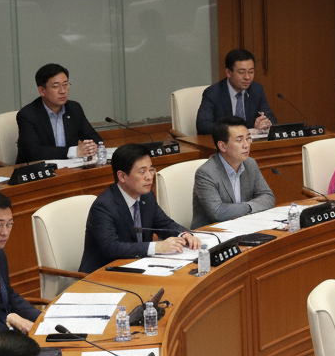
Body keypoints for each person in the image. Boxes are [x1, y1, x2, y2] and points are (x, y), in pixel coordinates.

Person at [80, 143, 202, 272]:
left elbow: (164, 223)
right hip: (102, 275)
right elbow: (112, 248)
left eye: (151, 169)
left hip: (138, 266)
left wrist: (184, 234)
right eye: (142, 172)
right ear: (122, 176)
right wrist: (157, 247)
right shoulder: (103, 206)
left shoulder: (146, 196)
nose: (149, 176)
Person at [191, 117, 275, 229]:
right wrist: (250, 207)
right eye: (239, 140)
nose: (246, 145)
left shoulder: (250, 164)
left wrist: (246, 207)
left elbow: (268, 196)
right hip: (214, 233)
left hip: (243, 227)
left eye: (248, 138)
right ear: (222, 146)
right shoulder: (206, 173)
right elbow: (218, 212)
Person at [15, 63, 103, 164]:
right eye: (56, 86)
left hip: (70, 169)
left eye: (65, 85)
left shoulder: (74, 108)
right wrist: (75, 151)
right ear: (42, 90)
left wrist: (91, 146)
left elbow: (95, 139)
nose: (62, 91)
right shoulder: (27, 115)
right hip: (37, 172)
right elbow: (34, 152)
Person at [0, 191, 40, 335]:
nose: (5, 232)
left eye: (9, 224)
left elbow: (8, 294)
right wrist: (7, 319)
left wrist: (42, 319)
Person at [195, 48, 276, 134]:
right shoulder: (213, 93)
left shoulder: (257, 89)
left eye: (251, 72)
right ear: (229, 72)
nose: (247, 77)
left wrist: (266, 123)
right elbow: (203, 125)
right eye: (241, 72)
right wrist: (234, 131)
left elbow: (271, 118)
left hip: (250, 143)